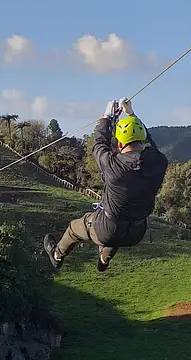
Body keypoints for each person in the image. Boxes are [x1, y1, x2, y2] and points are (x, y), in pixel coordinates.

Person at [43, 97, 168, 271]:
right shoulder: (159, 162)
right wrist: (131, 115)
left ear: (120, 143)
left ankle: (56, 255)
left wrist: (106, 117)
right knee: (117, 229)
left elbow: (99, 144)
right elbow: (150, 143)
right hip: (137, 231)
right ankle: (104, 259)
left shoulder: (113, 165)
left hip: (107, 229)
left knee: (75, 228)